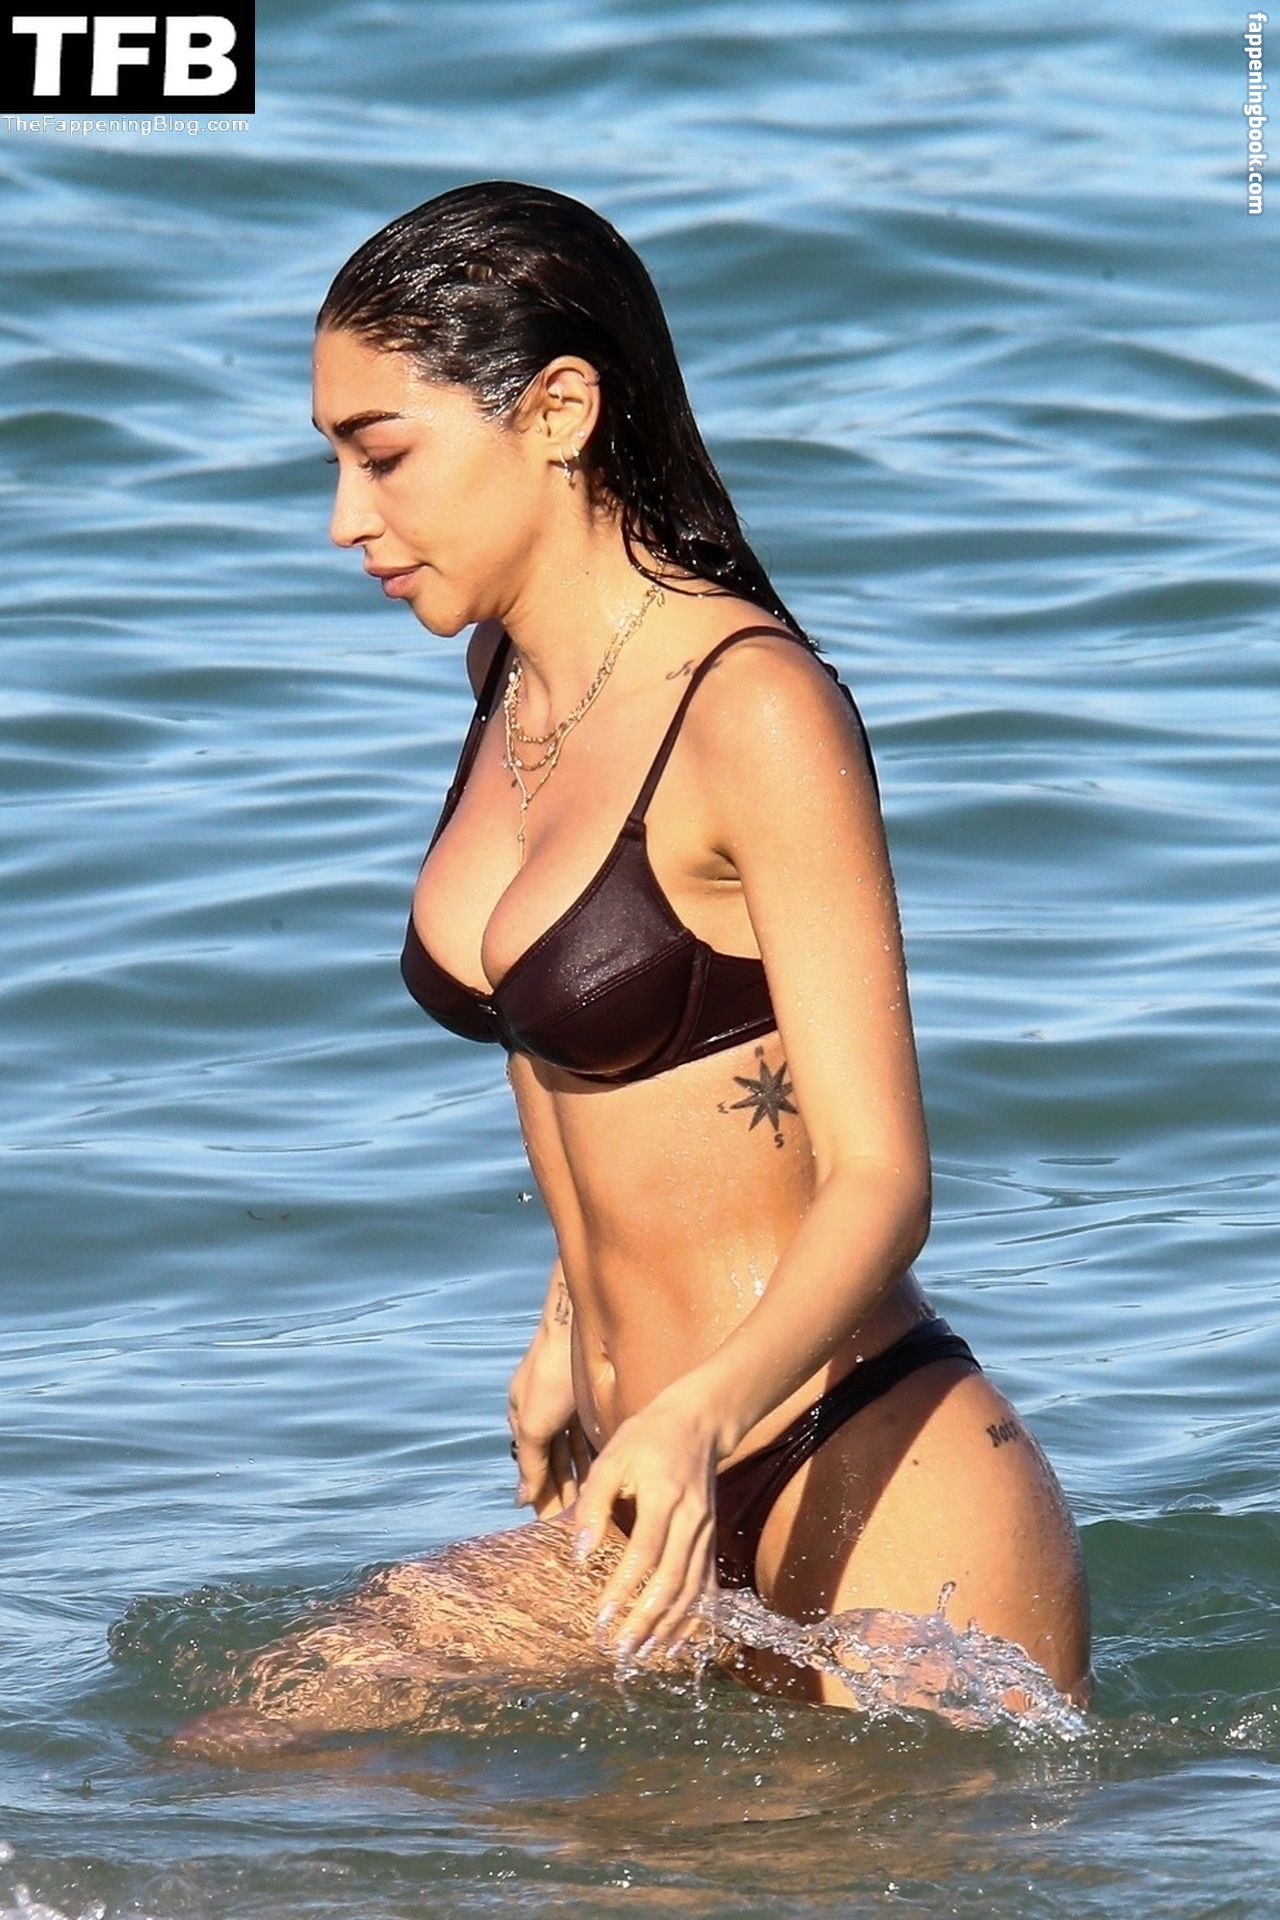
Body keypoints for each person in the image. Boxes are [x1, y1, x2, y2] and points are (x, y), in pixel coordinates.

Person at [173, 180, 1089, 1756]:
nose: (343, 519)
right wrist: (567, 1327)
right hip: (639, 1492)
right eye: (333, 460)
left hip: (863, 1472)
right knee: (243, 1759)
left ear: (558, 412)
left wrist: (692, 1413)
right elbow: (605, 1060)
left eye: (382, 455)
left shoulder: (755, 710)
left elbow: (882, 1179)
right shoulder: (508, 679)